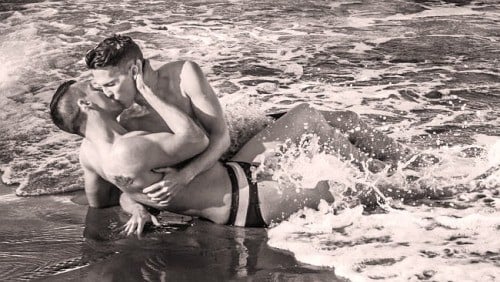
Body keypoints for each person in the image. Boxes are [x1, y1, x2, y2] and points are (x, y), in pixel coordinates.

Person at [50, 61, 414, 236]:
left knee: (323, 124)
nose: (107, 90)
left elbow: (103, 200)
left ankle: (402, 166)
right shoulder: (128, 148)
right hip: (251, 200)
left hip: (239, 180)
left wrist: (135, 202)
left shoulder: (91, 154)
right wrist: (146, 93)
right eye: (97, 88)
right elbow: (197, 139)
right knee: (374, 190)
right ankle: (440, 186)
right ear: (86, 105)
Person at [85, 34, 230, 206]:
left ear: (134, 71)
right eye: (100, 87)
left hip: (224, 167)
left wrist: (184, 177)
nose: (106, 93)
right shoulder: (127, 120)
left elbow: (222, 137)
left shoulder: (184, 76)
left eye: (110, 84)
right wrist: (136, 207)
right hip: (202, 195)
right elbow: (127, 185)